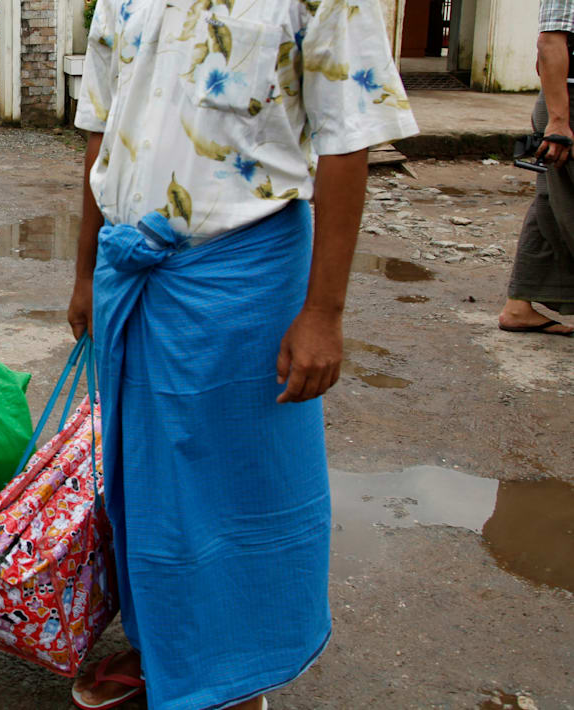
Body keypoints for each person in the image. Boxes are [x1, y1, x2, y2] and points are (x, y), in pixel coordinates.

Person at [66, 1, 417, 708]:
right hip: (129, 272)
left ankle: (235, 680)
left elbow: (348, 142)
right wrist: (83, 273)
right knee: (143, 479)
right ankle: (164, 646)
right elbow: (102, 131)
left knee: (237, 488)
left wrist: (323, 313)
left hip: (241, 276)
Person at [499, 0, 574, 337]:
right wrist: (558, 120)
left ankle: (519, 305)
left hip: (563, 101)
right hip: (568, 103)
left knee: (551, 202)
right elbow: (550, 41)